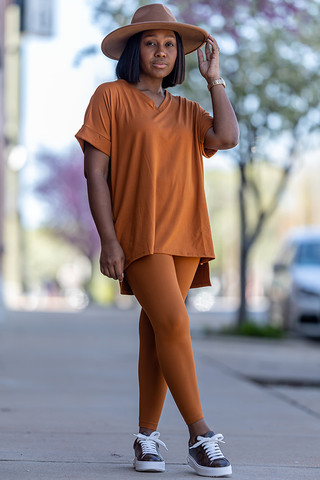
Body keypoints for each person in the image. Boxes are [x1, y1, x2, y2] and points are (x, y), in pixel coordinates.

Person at [75, 3, 239, 477]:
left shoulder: (187, 109)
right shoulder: (109, 97)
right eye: (151, 43)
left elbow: (225, 137)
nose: (162, 51)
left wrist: (214, 80)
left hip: (185, 233)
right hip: (139, 234)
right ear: (134, 50)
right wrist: (109, 240)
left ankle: (147, 439)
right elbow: (94, 173)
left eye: (169, 44)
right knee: (174, 324)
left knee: (157, 332)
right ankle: (200, 434)